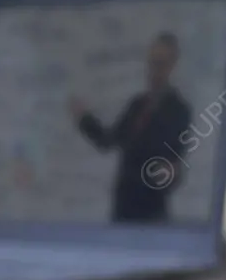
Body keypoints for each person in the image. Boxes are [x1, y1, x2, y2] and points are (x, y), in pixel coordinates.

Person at [68, 32, 193, 222]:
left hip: (151, 213)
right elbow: (108, 141)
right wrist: (84, 118)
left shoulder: (179, 111)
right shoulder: (137, 105)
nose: (153, 71)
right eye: (151, 63)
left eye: (160, 64)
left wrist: (170, 173)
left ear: (172, 66)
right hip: (123, 208)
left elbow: (174, 163)